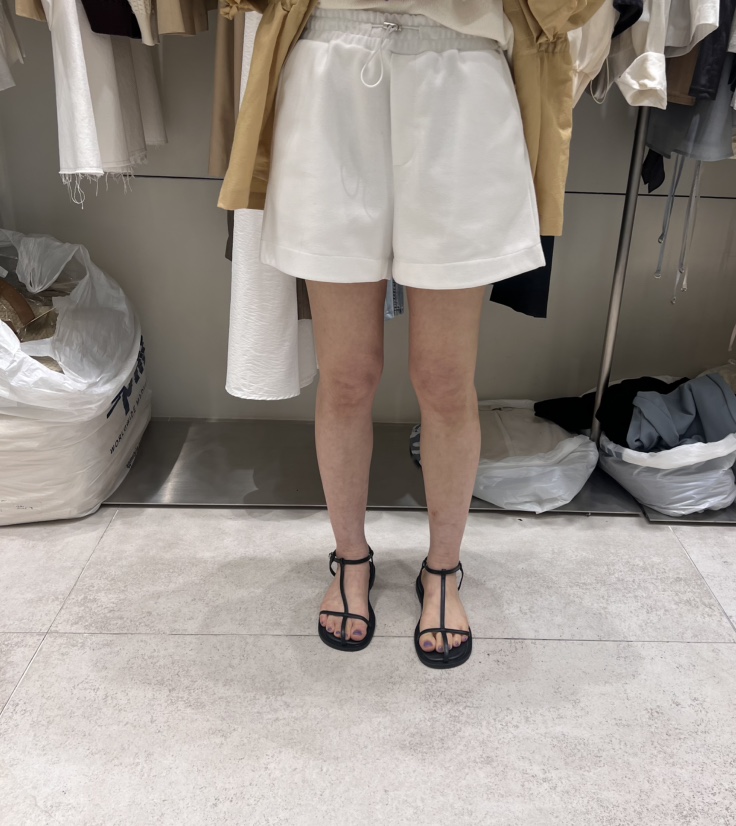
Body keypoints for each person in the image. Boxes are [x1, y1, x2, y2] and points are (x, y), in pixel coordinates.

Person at [258, 1, 546, 669]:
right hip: (331, 58)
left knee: (445, 379)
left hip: (462, 63)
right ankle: (349, 557)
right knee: (347, 374)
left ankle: (443, 568)